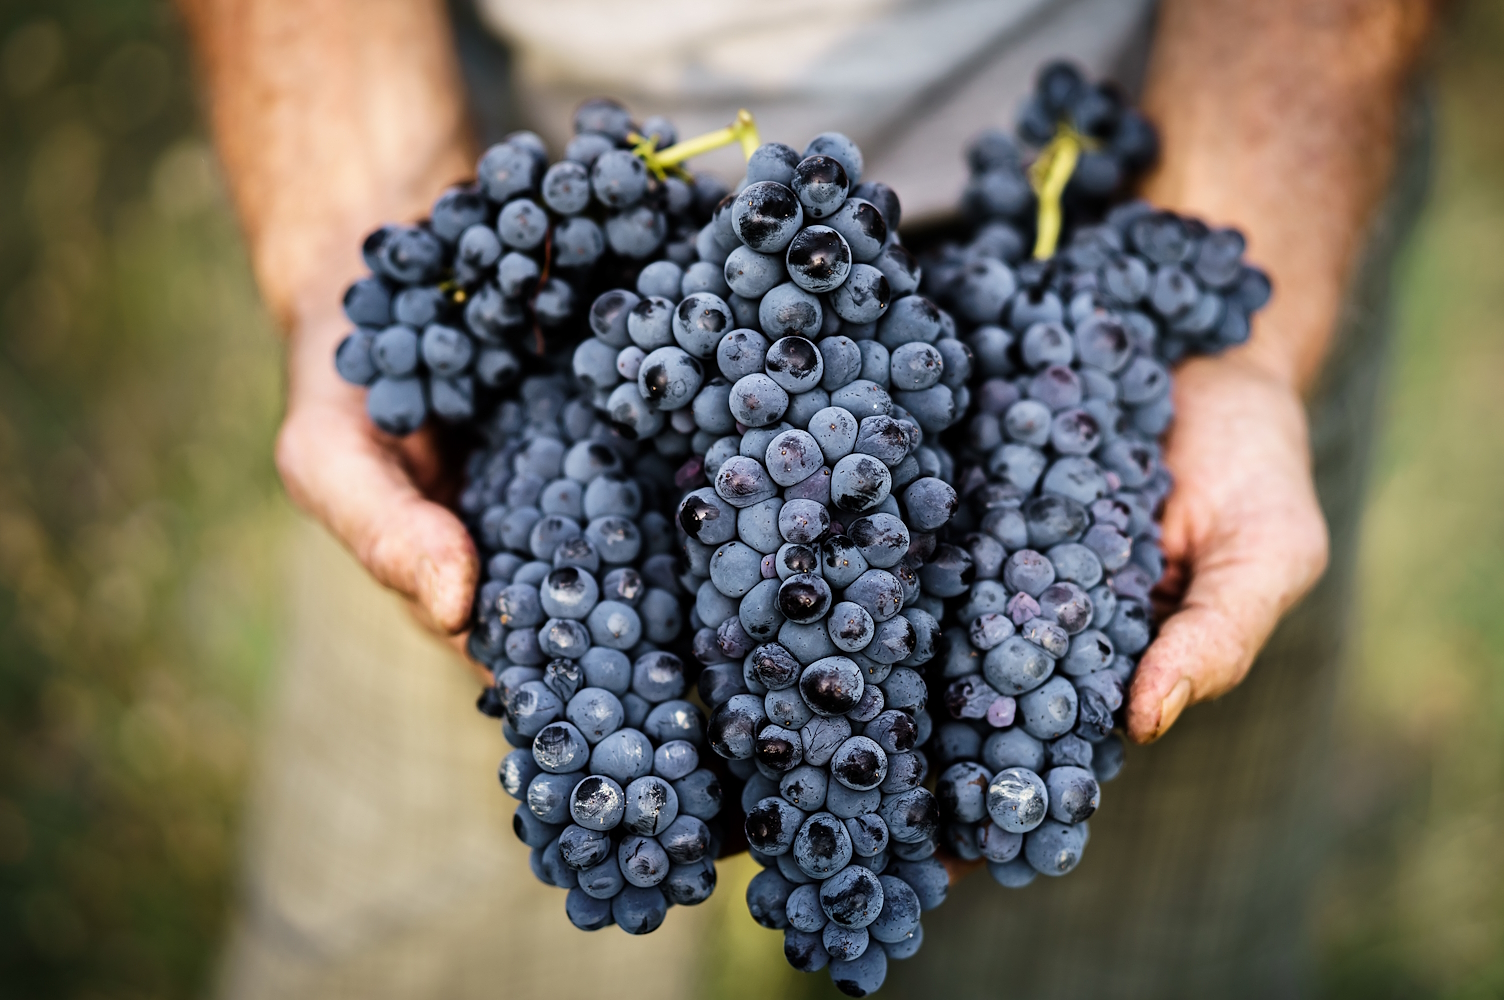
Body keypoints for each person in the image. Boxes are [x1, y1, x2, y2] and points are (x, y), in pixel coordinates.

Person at [176, 0, 1437, 995]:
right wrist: (352, 195)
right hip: (518, 236)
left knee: (1121, 949)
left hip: (1173, 183)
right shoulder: (518, 295)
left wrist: (1251, 327)